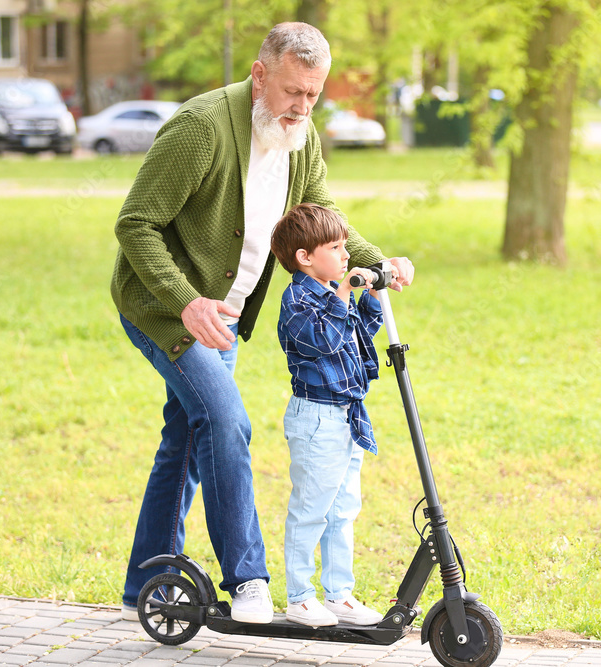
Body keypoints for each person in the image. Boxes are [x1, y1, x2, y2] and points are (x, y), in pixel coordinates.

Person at [110, 22, 414, 623]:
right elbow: (135, 224)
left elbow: (322, 219)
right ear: (259, 75)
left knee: (188, 439)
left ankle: (143, 583)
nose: (303, 107)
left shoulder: (301, 137)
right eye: (293, 92)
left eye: (314, 94)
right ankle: (247, 580)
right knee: (226, 422)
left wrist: (380, 261)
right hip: (165, 310)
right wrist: (185, 301)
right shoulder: (200, 130)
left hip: (220, 318)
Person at [269, 203, 385, 627]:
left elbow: (354, 337)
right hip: (316, 418)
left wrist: (369, 299)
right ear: (305, 257)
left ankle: (338, 593)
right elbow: (324, 340)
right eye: (335, 247)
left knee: (343, 509)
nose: (346, 255)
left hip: (348, 416)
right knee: (311, 508)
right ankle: (299, 597)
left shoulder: (332, 291)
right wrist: (344, 293)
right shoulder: (298, 299)